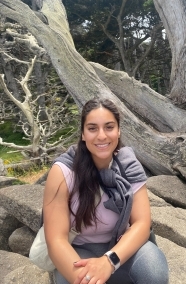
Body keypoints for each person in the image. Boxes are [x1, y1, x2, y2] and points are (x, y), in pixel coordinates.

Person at [43, 98, 169, 284]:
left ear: (118, 131)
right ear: (83, 134)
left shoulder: (128, 165)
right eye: (92, 128)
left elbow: (142, 223)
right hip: (78, 251)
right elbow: (56, 240)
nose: (101, 136)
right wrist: (89, 278)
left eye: (109, 127)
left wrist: (109, 261)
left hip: (121, 249)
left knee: (154, 272)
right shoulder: (63, 172)